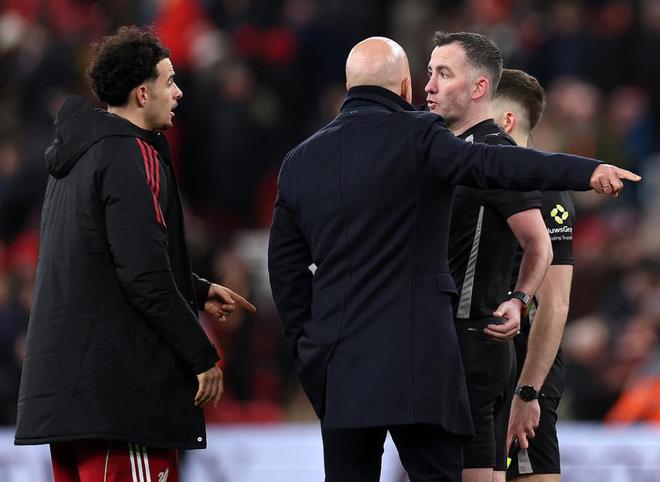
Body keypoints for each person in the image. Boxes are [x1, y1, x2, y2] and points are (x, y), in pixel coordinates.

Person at [267, 36, 638, 482]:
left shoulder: (299, 162)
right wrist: (585, 171)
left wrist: (311, 355)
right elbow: (500, 165)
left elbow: (285, 274)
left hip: (340, 365)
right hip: (421, 364)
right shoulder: (422, 137)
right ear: (405, 86)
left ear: (348, 86)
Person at [14, 26, 255, 482]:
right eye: (170, 81)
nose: (178, 92)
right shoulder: (130, 154)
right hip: (118, 400)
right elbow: (143, 274)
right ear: (142, 94)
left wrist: (194, 288)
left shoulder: (75, 157)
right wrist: (201, 354)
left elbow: (104, 257)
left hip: (68, 398)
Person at [424, 32, 554, 482]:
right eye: (430, 72)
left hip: (472, 344)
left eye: (444, 74)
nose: (429, 86)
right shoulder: (445, 148)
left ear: (479, 87)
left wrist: (520, 299)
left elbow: (539, 242)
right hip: (447, 344)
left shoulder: (494, 154)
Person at [491, 68, 573, 482]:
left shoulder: (547, 192)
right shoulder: (479, 180)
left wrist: (528, 392)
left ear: (507, 121)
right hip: (481, 369)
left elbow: (554, 303)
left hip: (522, 374)